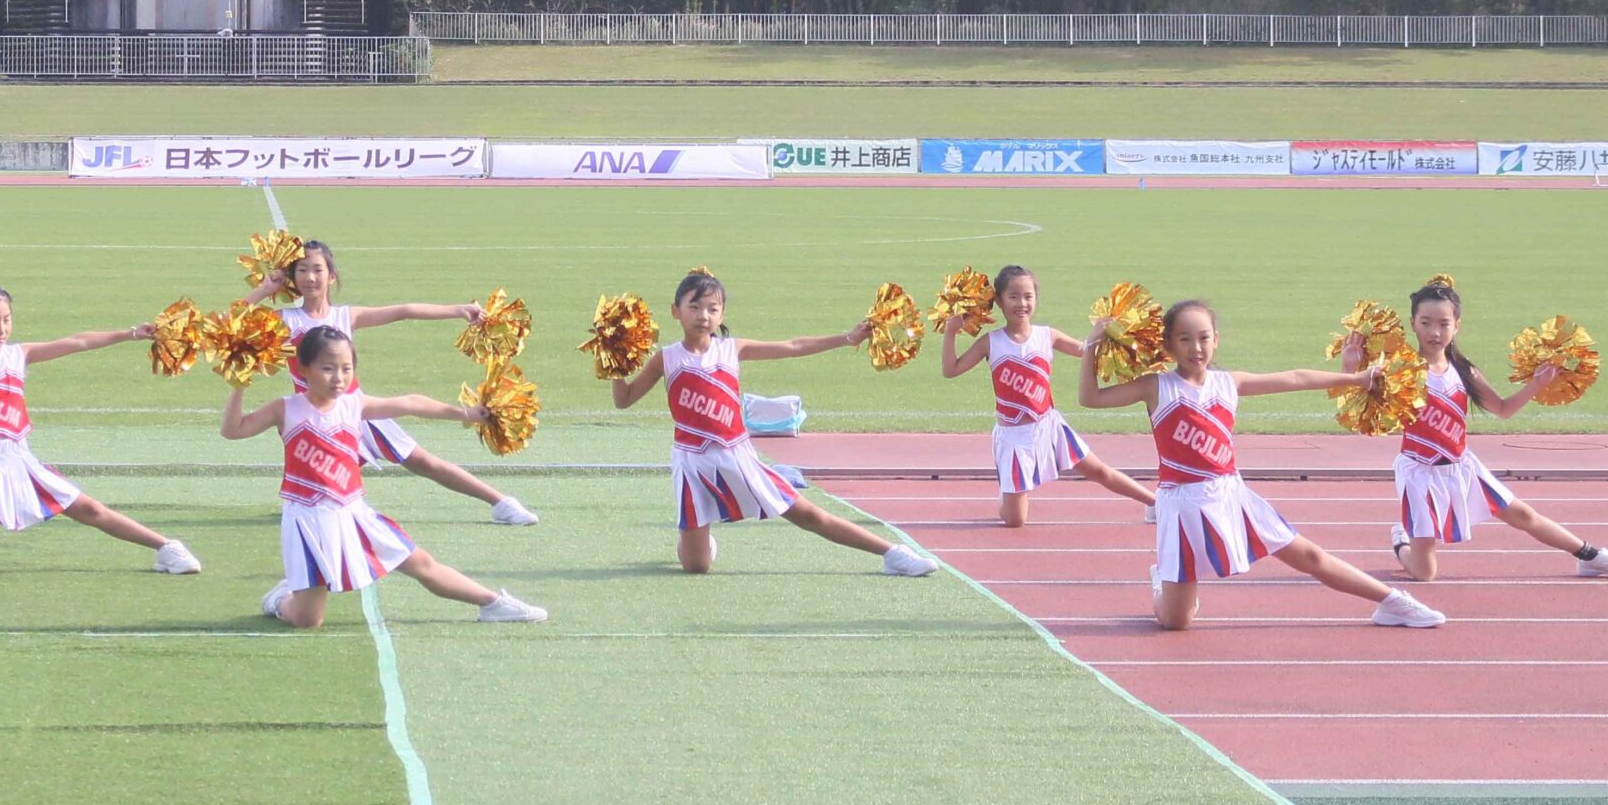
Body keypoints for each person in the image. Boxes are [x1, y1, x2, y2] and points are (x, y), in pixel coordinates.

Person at [1078, 297, 1443, 631]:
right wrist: (1093, 344)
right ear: (1169, 345)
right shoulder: (1156, 387)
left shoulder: (1229, 383)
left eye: (1204, 338)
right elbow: (1090, 398)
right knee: (1175, 622)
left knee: (1308, 556)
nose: (1196, 348)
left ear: (1216, 340)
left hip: (1231, 495)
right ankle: (1163, 579)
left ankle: (1393, 602)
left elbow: (1295, 377)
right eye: (1185, 339)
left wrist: (1355, 378)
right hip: (1181, 505)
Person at [609, 269, 937, 577]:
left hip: (736, 456)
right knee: (696, 567)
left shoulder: (731, 349)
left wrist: (846, 338)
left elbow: (793, 346)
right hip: (692, 464)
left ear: (722, 315)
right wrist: (615, 363)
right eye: (694, 307)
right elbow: (624, 400)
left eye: (712, 308)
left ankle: (892, 553)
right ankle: (700, 542)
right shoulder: (666, 358)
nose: (703, 315)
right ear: (675, 311)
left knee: (808, 515)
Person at [222, 325, 545, 628]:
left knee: (421, 564)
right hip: (305, 520)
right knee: (308, 621)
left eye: (347, 368)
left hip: (354, 513)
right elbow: (233, 430)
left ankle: (492, 603)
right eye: (328, 368)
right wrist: (238, 385)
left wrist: (465, 413)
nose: (338, 378)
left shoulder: (353, 405)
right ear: (303, 369)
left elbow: (411, 403)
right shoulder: (285, 408)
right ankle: (281, 600)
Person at [0, 283, 200, 574]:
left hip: (19, 458)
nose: (2, 329)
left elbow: (79, 342)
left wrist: (130, 333)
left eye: (7, 319)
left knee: (89, 509)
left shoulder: (18, 354)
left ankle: (166, 547)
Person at [1357, 279, 1608, 582]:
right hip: (1420, 473)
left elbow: (1503, 409)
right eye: (1426, 323)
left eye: (1443, 323)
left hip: (1463, 466)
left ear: (1457, 325)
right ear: (1413, 323)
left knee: (1523, 515)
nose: (1435, 332)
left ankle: (1590, 556)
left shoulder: (1464, 371)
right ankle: (1401, 543)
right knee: (1425, 574)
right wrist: (1351, 367)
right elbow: (1357, 404)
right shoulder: (1400, 371)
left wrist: (1536, 384)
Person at [245, 240, 538, 525]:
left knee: (423, 462)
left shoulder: (345, 316)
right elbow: (229, 325)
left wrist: (457, 310)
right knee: (318, 477)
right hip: (313, 418)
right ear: (292, 277)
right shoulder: (284, 320)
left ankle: (501, 503)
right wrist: (264, 290)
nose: (310, 277)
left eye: (318, 269)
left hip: (357, 411)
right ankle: (314, 507)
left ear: (331, 276)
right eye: (302, 270)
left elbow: (405, 310)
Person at [940, 265, 1156, 526]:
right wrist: (950, 332)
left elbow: (1085, 351)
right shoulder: (991, 342)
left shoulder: (1047, 335)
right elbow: (951, 370)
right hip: (1013, 438)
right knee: (1015, 521)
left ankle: (1156, 503)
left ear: (1036, 298)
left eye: (1028, 296)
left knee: (1099, 470)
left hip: (1049, 426)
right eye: (1013, 296)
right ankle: (1006, 496)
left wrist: (1108, 335)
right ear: (999, 300)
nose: (1022, 303)